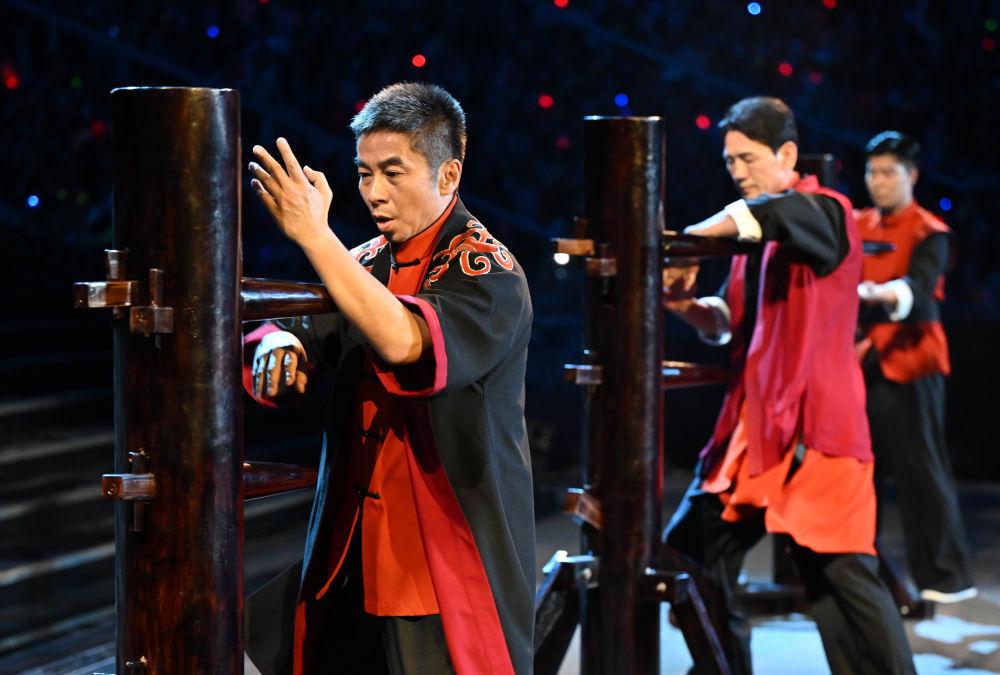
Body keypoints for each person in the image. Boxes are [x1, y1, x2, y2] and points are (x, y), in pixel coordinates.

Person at [243, 83, 534, 675]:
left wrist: (315, 235)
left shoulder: (489, 270)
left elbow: (405, 342)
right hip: (352, 550)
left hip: (441, 560)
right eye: (364, 173)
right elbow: (296, 331)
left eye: (393, 173)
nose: (374, 192)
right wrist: (277, 344)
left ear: (448, 175)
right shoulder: (365, 261)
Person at [659, 97, 915, 674]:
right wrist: (680, 302)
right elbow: (728, 320)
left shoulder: (827, 211)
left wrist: (688, 239)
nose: (737, 171)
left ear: (788, 155)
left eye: (748, 158)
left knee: (842, 579)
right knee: (691, 555)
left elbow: (769, 213)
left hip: (816, 432)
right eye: (730, 161)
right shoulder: (754, 243)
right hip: (755, 438)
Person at [856, 130, 975, 603]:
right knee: (859, 470)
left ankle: (945, 578)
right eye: (872, 172)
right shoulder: (857, 224)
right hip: (862, 360)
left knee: (920, 469)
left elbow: (920, 287)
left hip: (912, 360)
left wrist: (878, 294)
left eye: (889, 172)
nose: (879, 182)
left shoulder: (930, 231)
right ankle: (862, 574)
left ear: (912, 176)